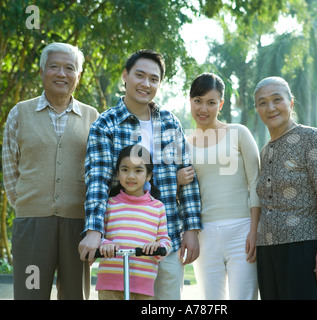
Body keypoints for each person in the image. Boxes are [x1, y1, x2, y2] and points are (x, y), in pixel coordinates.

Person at [78, 49, 202, 300]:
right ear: (126, 76)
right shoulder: (106, 124)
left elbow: (186, 176)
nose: (146, 84)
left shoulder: (170, 122)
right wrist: (94, 230)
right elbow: (97, 181)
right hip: (122, 242)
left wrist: (192, 229)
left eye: (153, 79)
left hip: (166, 240)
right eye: (140, 75)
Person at [2, 42, 99, 299]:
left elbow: (99, 173)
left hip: (78, 225)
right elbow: (10, 170)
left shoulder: (92, 118)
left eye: (69, 68)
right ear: (42, 71)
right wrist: (28, 206)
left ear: (78, 76)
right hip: (32, 225)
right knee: (30, 293)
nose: (61, 73)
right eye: (54, 67)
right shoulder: (20, 113)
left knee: (75, 295)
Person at [253, 76, 317, 300]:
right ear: (257, 109)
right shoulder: (264, 151)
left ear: (291, 103)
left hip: (305, 249)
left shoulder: (311, 138)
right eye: (262, 103)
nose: (270, 107)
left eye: (276, 100)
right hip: (267, 250)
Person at [178, 73, 260, 299]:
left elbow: (256, 183)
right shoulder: (183, 144)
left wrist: (254, 231)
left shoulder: (239, 133)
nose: (203, 108)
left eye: (211, 102)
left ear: (220, 104)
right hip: (204, 236)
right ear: (190, 100)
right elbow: (177, 194)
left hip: (242, 231)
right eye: (198, 101)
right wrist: (177, 180)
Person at [96, 145, 171, 300]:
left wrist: (158, 246)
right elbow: (98, 235)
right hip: (110, 283)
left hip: (142, 284)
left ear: (148, 175)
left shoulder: (157, 207)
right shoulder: (109, 204)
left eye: (138, 170)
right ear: (118, 173)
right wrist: (105, 243)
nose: (131, 176)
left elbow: (165, 240)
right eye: (125, 170)